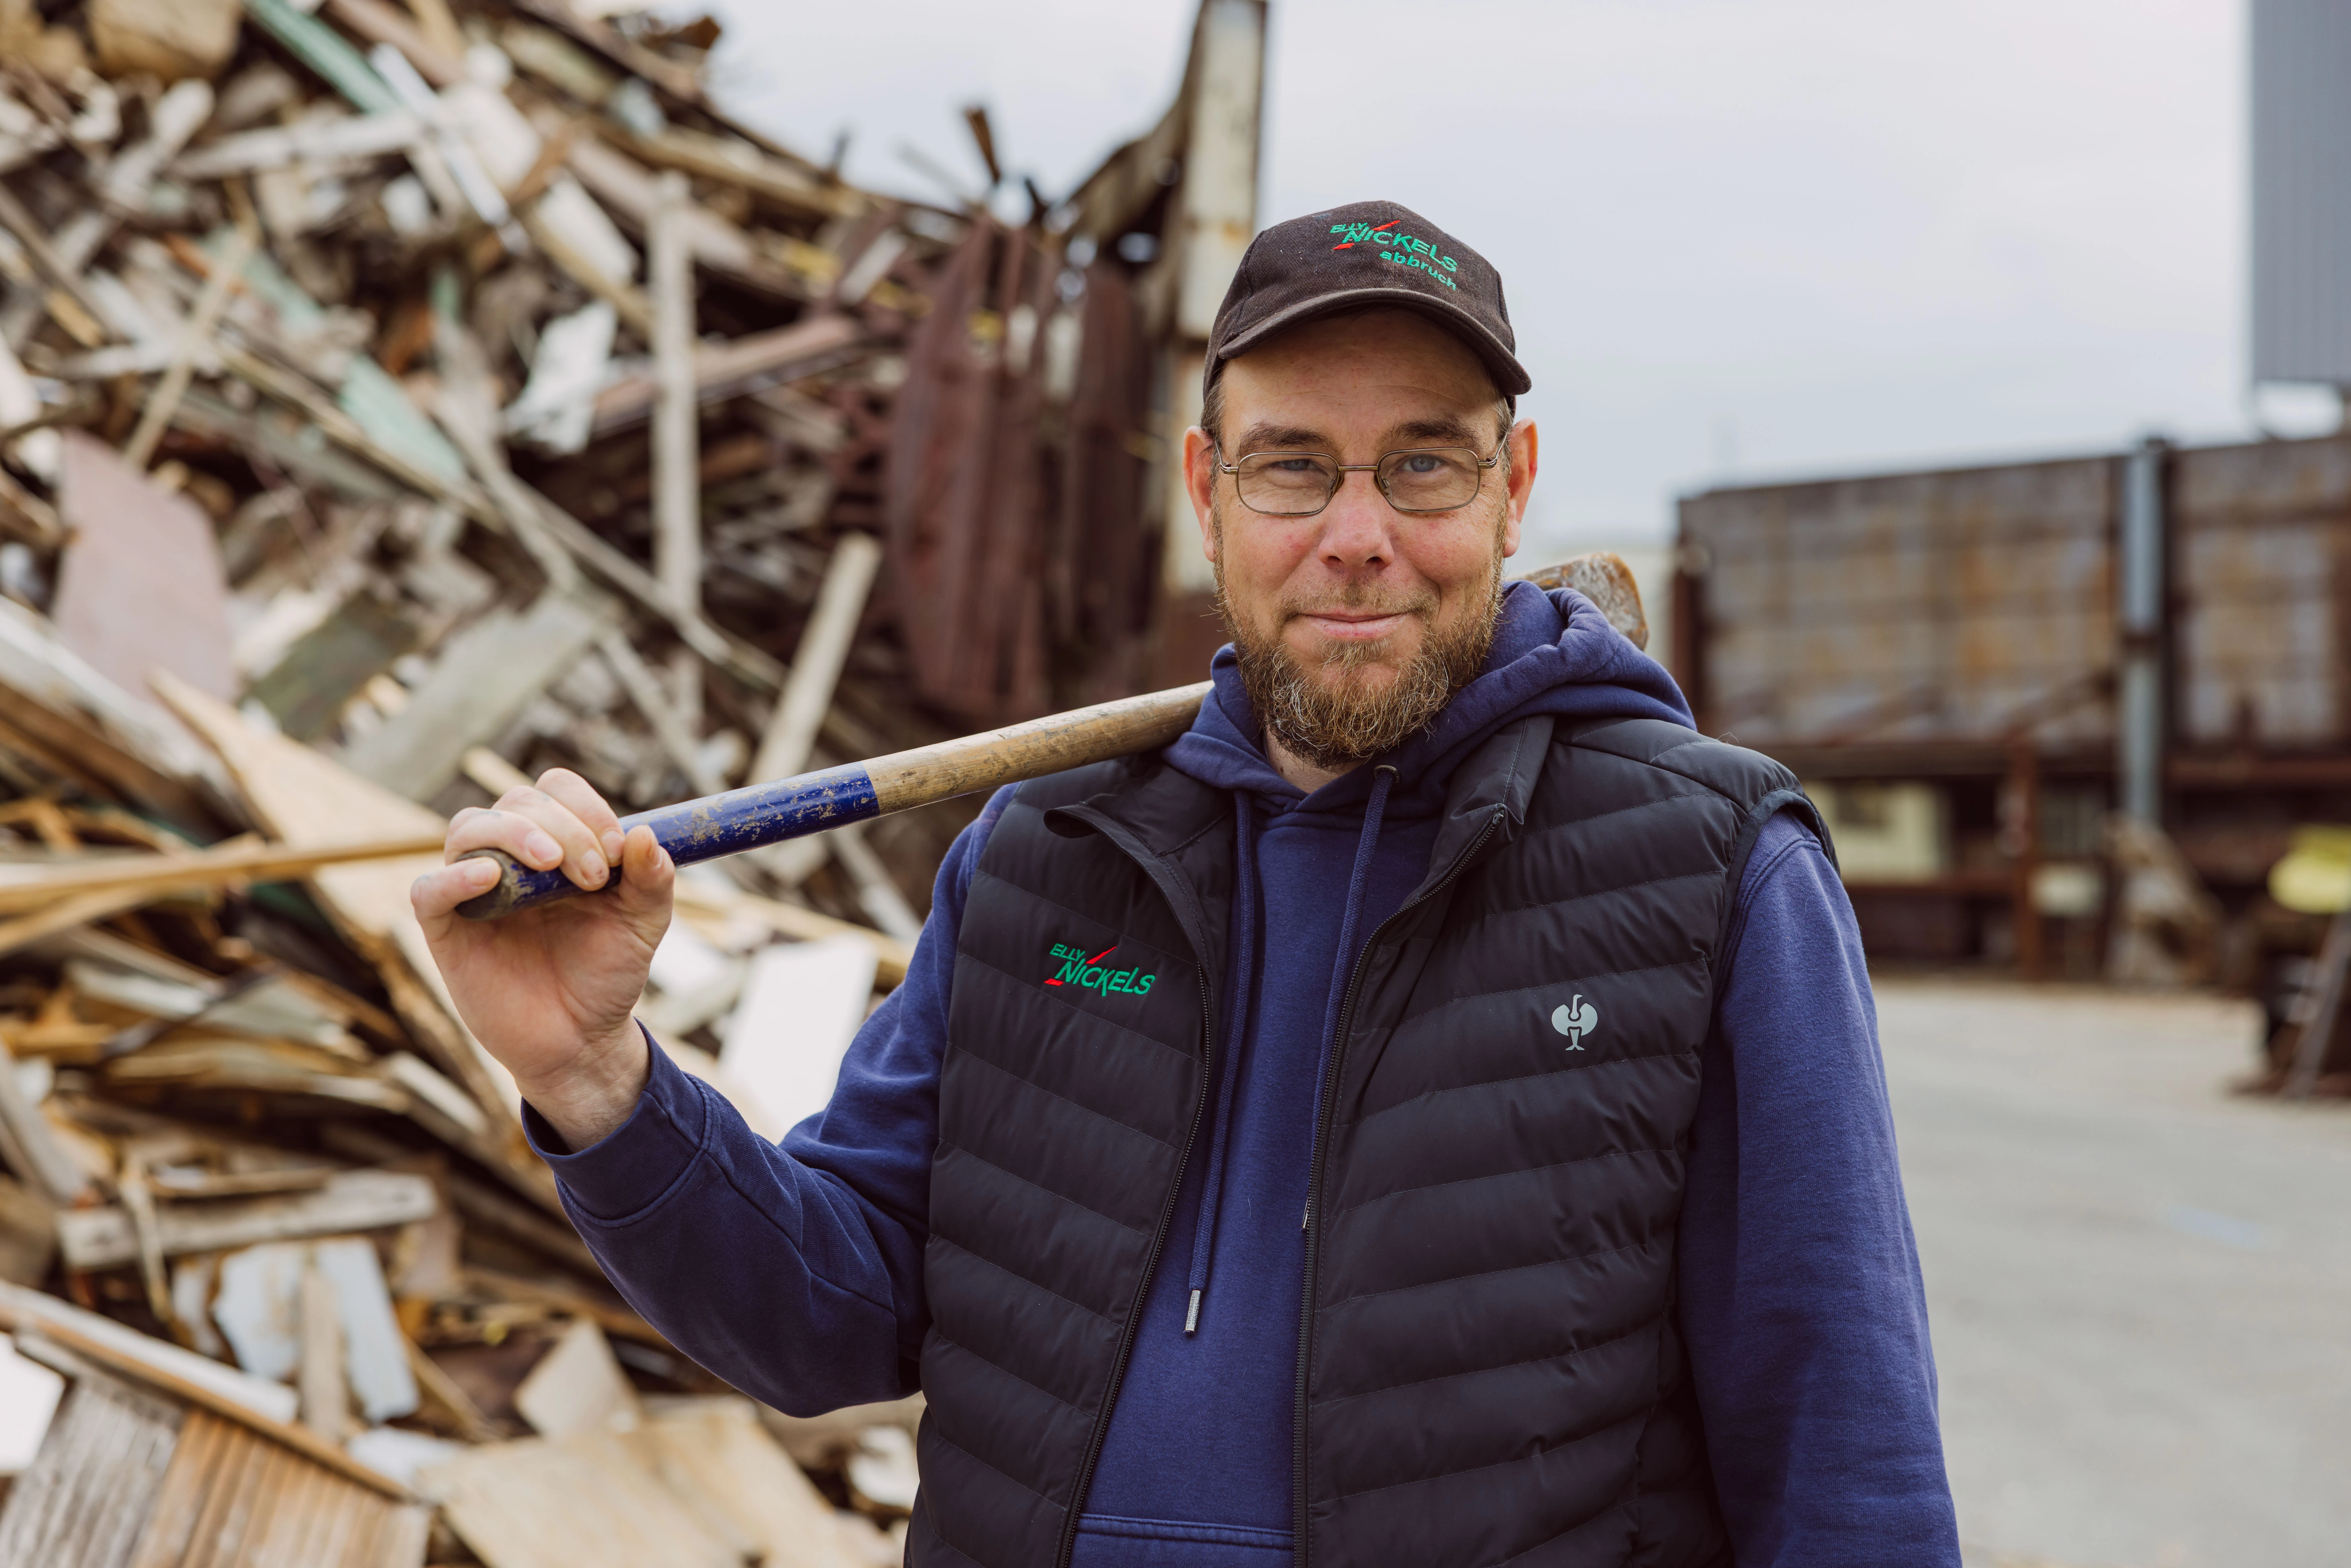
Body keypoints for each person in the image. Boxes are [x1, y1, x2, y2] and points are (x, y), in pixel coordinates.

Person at [415, 201, 1963, 1568]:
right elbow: (829, 1312)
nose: (1358, 537)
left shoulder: (1711, 872)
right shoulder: (1045, 858)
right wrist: (594, 1073)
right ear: (1207, 490)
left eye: (1422, 464)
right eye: (1296, 468)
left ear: (1517, 488)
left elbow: (1848, 1465)